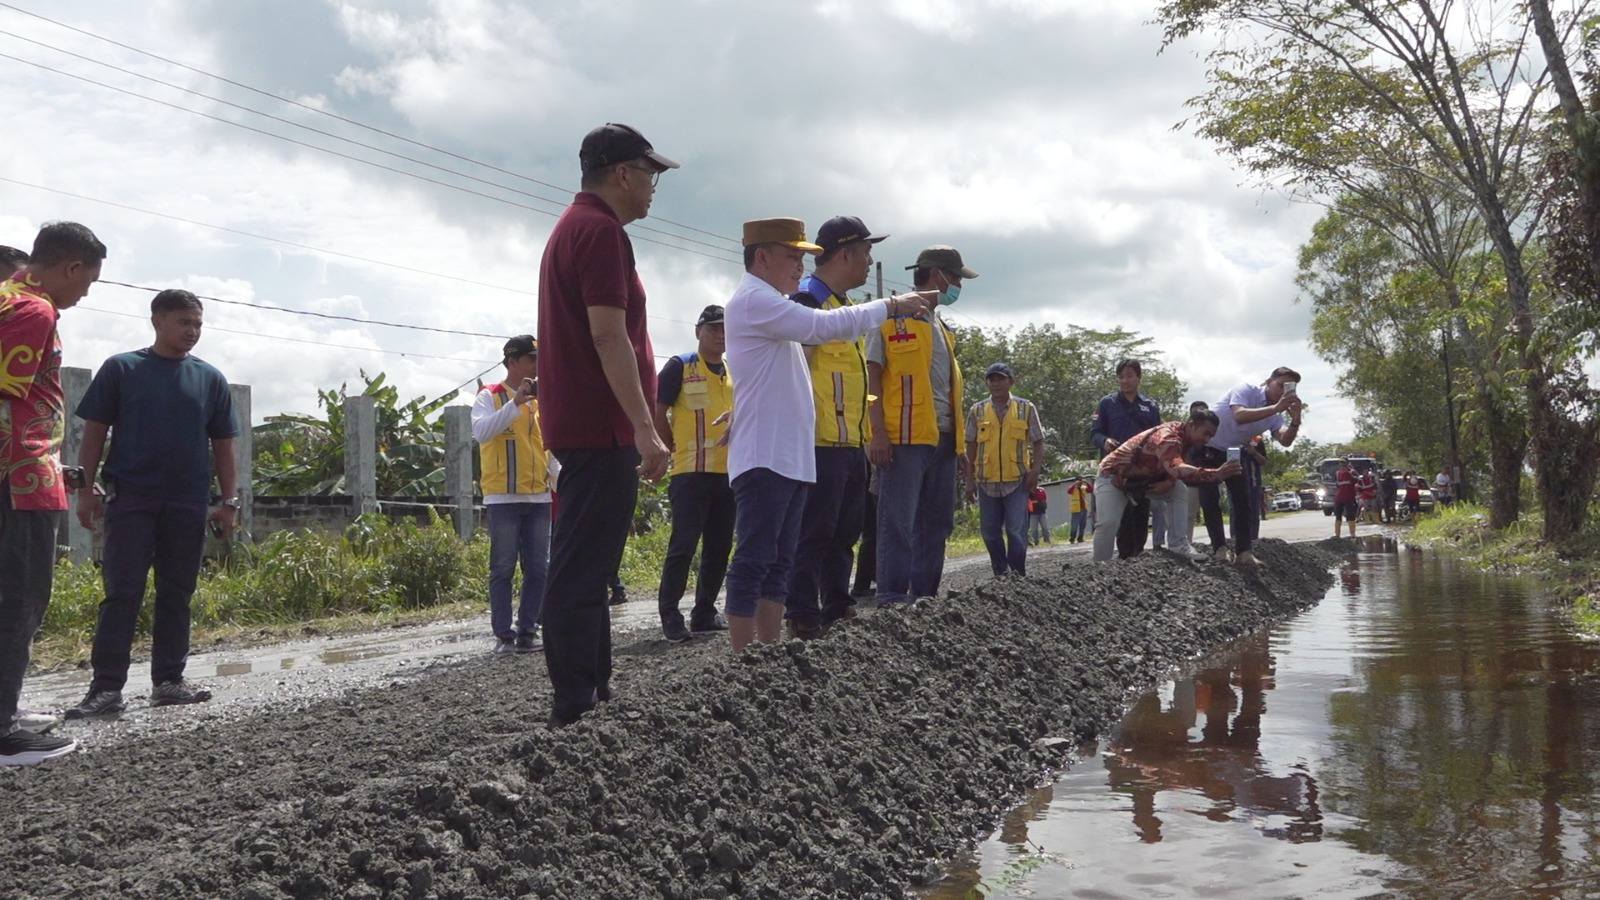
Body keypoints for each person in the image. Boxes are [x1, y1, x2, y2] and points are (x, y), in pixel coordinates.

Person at [724, 218, 935, 650]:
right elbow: (822, 328)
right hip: (766, 455)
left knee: (781, 559)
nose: (800, 266)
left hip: (789, 455)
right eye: (792, 256)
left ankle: (767, 651)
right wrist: (891, 307)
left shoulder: (773, 304)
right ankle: (743, 658)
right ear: (761, 257)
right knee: (756, 557)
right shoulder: (754, 300)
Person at [536, 122, 676, 726]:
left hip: (593, 426)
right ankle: (574, 701)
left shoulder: (580, 227)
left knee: (591, 566)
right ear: (622, 173)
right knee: (581, 567)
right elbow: (607, 333)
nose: (652, 189)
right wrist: (644, 426)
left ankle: (593, 689)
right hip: (601, 427)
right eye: (649, 175)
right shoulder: (599, 232)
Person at [67, 288, 238, 719]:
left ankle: (168, 681)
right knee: (122, 593)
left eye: (198, 324)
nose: (192, 332)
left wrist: (229, 501)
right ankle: (106, 688)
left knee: (177, 592)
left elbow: (223, 445)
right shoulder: (123, 369)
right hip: (131, 499)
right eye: (184, 322)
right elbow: (93, 433)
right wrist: (85, 489)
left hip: (187, 502)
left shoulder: (210, 378)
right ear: (157, 320)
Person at [0, 222, 104, 766]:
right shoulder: (33, 311)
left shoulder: (7, 297)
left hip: (22, 473)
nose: (85, 292)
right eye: (88, 281)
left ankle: (6, 709)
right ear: (71, 268)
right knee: (19, 597)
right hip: (19, 477)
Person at [785, 217, 885, 639]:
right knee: (814, 532)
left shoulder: (844, 309)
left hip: (849, 441)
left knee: (844, 531)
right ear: (844, 253)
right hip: (817, 440)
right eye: (865, 253)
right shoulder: (807, 302)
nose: (869, 262)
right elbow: (799, 371)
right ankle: (802, 613)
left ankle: (836, 604)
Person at [868, 245, 975, 607]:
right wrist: (877, 432)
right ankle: (892, 596)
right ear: (937, 275)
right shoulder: (888, 317)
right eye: (956, 277)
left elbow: (946, 388)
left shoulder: (942, 329)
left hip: (943, 440)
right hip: (904, 439)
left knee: (937, 523)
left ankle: (925, 596)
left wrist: (959, 447)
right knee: (897, 521)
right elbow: (872, 379)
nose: (958, 284)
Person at [653, 304, 734, 643]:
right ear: (698, 331)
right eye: (713, 328)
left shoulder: (733, 371)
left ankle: (704, 612)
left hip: (727, 474)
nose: (720, 334)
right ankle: (670, 614)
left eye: (724, 329)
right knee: (684, 545)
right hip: (690, 473)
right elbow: (657, 410)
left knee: (718, 547)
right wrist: (669, 446)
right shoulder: (680, 366)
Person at [471, 335, 552, 655]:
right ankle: (504, 633)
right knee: (503, 567)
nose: (537, 366)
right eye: (532, 359)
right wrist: (515, 402)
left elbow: (548, 446)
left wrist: (558, 477)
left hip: (538, 497)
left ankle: (528, 631)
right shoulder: (488, 396)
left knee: (538, 568)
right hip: (503, 497)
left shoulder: (542, 400)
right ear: (512, 361)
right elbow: (481, 432)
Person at [1092, 409, 1241, 562]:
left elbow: (1171, 467)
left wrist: (1169, 481)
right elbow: (1176, 467)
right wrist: (1216, 474)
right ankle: (1099, 566)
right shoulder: (1169, 437)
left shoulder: (1186, 439)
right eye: (1206, 433)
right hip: (1113, 476)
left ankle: (1178, 544)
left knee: (1178, 490)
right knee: (1108, 523)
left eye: (1211, 436)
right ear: (1192, 425)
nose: (1207, 440)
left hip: (1144, 480)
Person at [1197, 368, 1304, 567]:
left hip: (1232, 451)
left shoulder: (1276, 414)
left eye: (1288, 388)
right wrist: (1276, 408)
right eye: (1280, 385)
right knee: (1210, 499)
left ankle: (1244, 552)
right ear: (1268, 382)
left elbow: (1284, 440)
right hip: (1207, 445)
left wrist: (1296, 420)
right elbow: (1239, 415)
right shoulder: (1246, 389)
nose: (1282, 391)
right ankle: (1219, 548)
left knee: (1242, 499)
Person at [964, 362, 1045, 578]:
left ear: (1011, 382)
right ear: (987, 383)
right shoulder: (977, 410)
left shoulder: (1026, 408)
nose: (996, 383)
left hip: (1017, 481)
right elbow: (970, 445)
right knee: (990, 533)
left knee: (1016, 532)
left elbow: (1038, 441)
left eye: (1001, 379)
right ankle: (1001, 573)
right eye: (992, 379)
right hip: (986, 481)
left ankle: (1017, 575)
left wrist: (1035, 471)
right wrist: (969, 480)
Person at [1091, 360, 1162, 556]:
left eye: (1129, 375)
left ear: (1138, 377)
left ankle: (1137, 559)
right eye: (1121, 377)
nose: (1125, 381)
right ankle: (1119, 561)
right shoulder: (1107, 403)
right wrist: (1105, 441)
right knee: (1119, 521)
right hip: (1115, 471)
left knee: (1139, 519)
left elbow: (1158, 437)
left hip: (1141, 472)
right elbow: (1095, 433)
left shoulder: (1150, 406)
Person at [1332, 457, 1359, 537]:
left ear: (1347, 463)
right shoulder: (1338, 473)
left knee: (1350, 515)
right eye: (1340, 463)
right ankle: (1337, 534)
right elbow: (1337, 484)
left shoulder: (1351, 472)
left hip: (1348, 497)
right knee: (1338, 516)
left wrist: (1351, 473)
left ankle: (1352, 534)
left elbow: (1357, 480)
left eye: (1343, 462)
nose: (1342, 464)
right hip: (1340, 497)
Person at [1067, 476, 1092, 543]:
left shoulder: (1083, 487)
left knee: (1083, 525)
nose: (1080, 482)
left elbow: (1090, 490)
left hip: (1084, 509)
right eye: (1078, 480)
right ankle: (1072, 539)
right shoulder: (1073, 488)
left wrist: (1087, 483)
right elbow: (1069, 491)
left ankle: (1080, 538)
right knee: (1074, 525)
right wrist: (1075, 484)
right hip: (1076, 509)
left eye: (1081, 481)